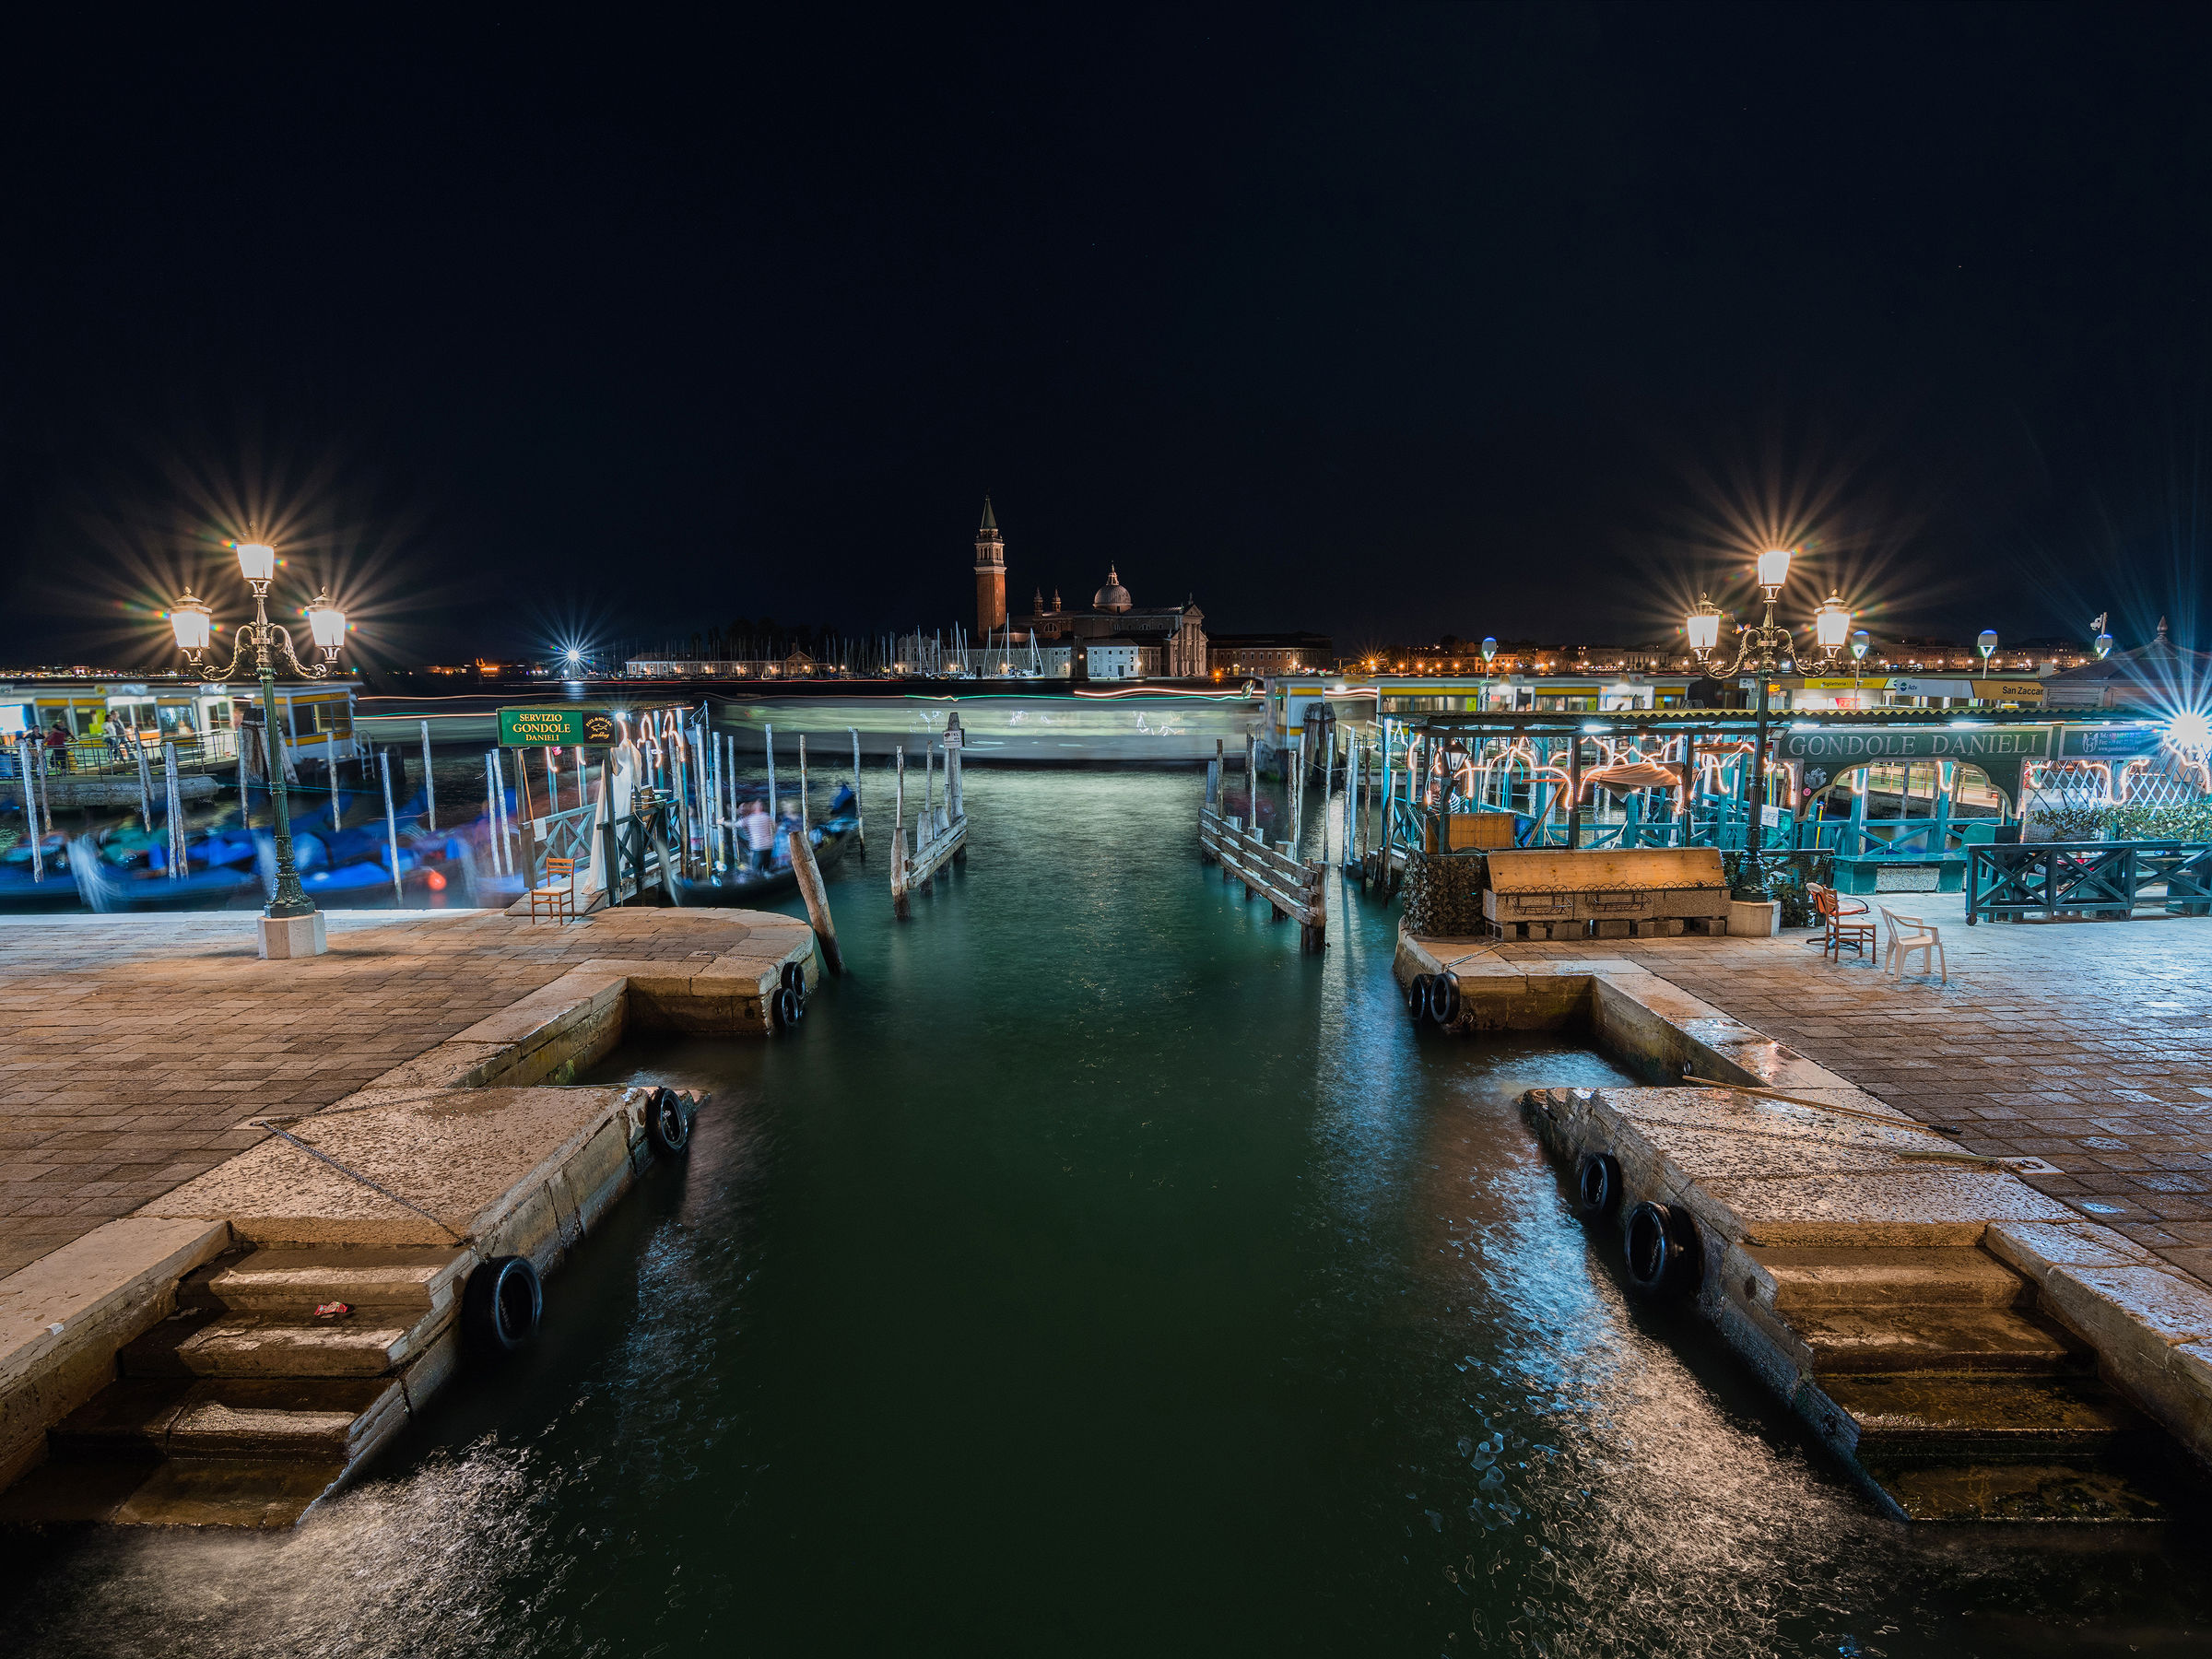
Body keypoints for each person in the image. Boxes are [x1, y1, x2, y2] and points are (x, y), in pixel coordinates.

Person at [743, 799, 775, 874]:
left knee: (757, 869)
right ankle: (767, 877)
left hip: (758, 847)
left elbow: (736, 824)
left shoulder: (750, 818)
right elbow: (774, 827)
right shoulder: (767, 816)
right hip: (768, 845)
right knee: (766, 867)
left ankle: (759, 880)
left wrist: (723, 822)